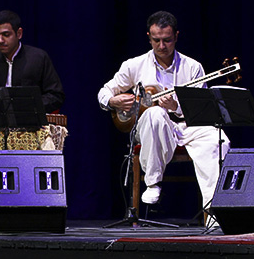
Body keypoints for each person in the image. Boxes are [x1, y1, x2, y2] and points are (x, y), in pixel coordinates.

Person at [98, 11, 230, 215]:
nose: (161, 46)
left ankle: (214, 209)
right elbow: (104, 92)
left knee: (217, 139)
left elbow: (200, 111)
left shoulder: (192, 67)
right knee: (155, 114)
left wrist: (175, 107)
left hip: (186, 127)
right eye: (156, 40)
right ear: (149, 37)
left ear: (176, 36)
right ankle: (153, 183)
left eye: (167, 40)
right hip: (151, 128)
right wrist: (112, 101)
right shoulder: (135, 65)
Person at [0, 10, 65, 113]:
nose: (0, 40)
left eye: (6, 34)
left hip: (32, 119)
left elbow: (56, 96)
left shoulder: (38, 58)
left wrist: (28, 106)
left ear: (19, 33)